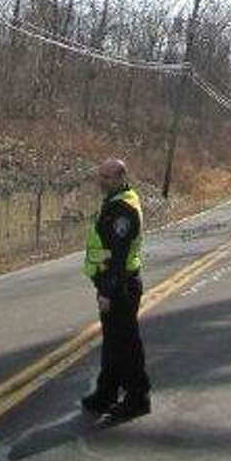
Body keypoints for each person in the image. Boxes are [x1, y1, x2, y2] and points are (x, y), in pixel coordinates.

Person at [80, 156, 151, 422]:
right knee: (113, 342)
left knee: (126, 344)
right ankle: (106, 393)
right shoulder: (114, 203)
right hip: (114, 282)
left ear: (121, 178)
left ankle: (137, 398)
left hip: (121, 285)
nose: (102, 181)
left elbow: (119, 256)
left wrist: (108, 292)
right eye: (101, 176)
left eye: (108, 177)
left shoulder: (123, 209)